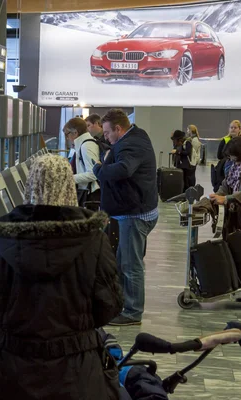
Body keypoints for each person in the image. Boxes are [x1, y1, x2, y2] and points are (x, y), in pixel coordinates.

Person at [0, 155, 122, 400]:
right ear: (69, 186)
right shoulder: (93, 239)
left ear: (30, 184)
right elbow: (109, 305)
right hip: (76, 369)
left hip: (11, 367)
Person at [93, 109, 158, 326]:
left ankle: (132, 313)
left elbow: (123, 169)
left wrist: (99, 170)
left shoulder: (131, 145)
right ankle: (123, 305)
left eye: (107, 132)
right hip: (132, 212)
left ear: (119, 129)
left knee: (131, 266)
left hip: (135, 215)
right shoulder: (134, 137)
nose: (105, 137)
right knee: (124, 262)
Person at [64, 117, 100, 206]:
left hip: (90, 195)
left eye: (67, 134)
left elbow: (93, 173)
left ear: (75, 132)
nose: (67, 138)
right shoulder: (83, 144)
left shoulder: (86, 146)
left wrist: (69, 178)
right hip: (87, 193)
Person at [210, 136, 241, 206]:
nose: (230, 158)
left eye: (232, 155)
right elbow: (226, 185)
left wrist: (226, 198)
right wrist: (216, 196)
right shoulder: (234, 167)